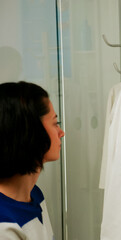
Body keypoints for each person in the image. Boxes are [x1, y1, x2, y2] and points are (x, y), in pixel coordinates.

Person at [0, 81, 65, 239]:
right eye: (55, 124)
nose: (61, 132)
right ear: (29, 132)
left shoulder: (34, 194)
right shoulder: (4, 225)